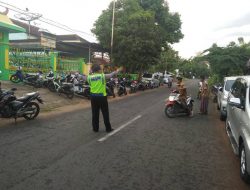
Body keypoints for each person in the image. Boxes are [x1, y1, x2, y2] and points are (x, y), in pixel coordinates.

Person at [84, 64, 120, 132]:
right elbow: (111, 75)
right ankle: (108, 128)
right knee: (105, 113)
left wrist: (77, 74)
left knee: (94, 113)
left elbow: (82, 77)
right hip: (102, 97)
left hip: (93, 97)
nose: (101, 69)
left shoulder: (89, 77)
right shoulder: (102, 76)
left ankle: (95, 129)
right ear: (98, 70)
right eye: (100, 69)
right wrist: (116, 71)